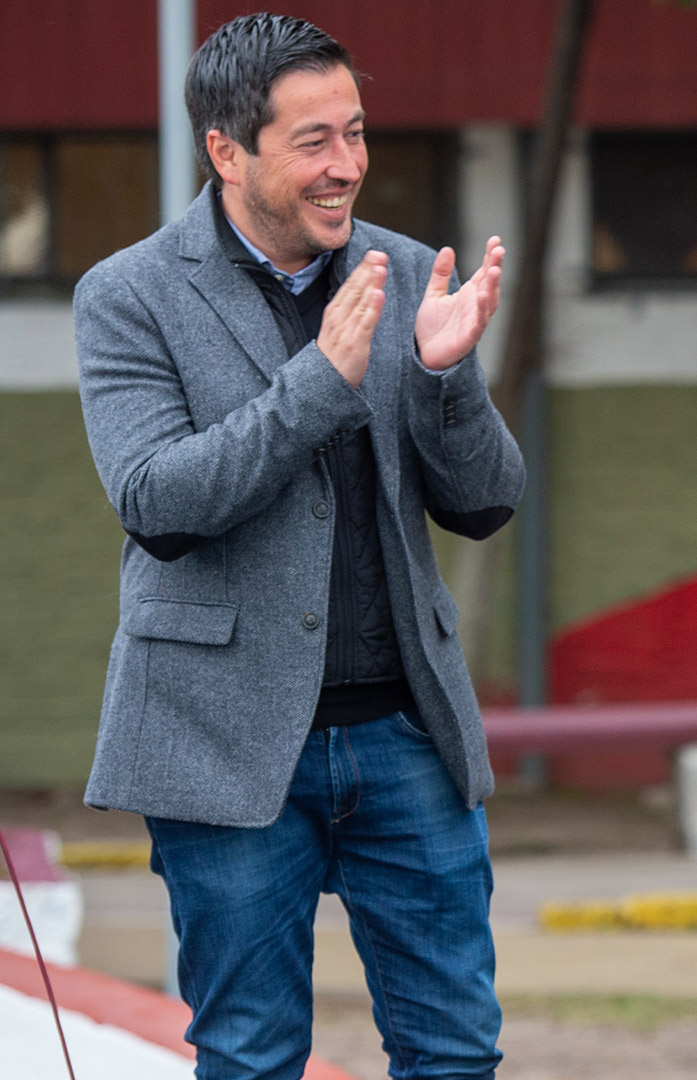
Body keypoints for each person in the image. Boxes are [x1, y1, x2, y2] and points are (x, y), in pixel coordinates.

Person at [74, 15, 521, 1079]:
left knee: (456, 1053)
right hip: (218, 744)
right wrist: (319, 384)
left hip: (405, 735)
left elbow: (486, 504)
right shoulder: (129, 294)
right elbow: (158, 504)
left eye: (355, 133)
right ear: (227, 152)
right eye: (313, 140)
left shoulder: (406, 271)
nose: (347, 165)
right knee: (251, 1056)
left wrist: (447, 380)